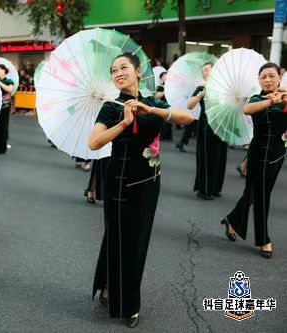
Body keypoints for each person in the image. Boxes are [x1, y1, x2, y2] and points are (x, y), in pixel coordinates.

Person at [88, 53, 193, 328]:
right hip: (121, 181)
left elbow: (186, 117)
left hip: (150, 182)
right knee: (126, 242)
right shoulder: (112, 106)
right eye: (113, 70)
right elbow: (94, 142)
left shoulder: (151, 102)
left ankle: (107, 281)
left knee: (134, 239)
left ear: (137, 72)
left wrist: (152, 111)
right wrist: (123, 122)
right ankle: (127, 305)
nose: (118, 73)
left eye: (124, 67)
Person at [220, 62, 287, 259]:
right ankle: (264, 239)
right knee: (262, 196)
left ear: (279, 78)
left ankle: (231, 220)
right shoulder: (258, 99)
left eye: (271, 76)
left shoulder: (284, 97)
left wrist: (282, 95)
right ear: (258, 80)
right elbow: (247, 109)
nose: (267, 79)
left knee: (253, 193)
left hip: (278, 154)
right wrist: (271, 101)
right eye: (263, 76)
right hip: (260, 155)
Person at [188, 62, 228, 200]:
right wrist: (200, 95)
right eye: (203, 71)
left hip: (223, 125)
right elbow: (190, 105)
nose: (204, 72)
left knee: (220, 157)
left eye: (207, 70)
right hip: (206, 125)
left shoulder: (225, 88)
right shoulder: (201, 88)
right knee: (206, 157)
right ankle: (204, 189)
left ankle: (216, 188)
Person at [0, 64, 14, 154]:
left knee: (3, 126)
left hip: (5, 107)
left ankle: (2, 148)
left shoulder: (9, 80)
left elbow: (10, 90)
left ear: (3, 70)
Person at [155, 71, 173, 141]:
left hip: (169, 104)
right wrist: (165, 90)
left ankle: (168, 136)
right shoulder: (160, 87)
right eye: (163, 76)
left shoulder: (171, 86)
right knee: (162, 120)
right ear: (161, 78)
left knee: (169, 120)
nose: (165, 77)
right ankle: (162, 136)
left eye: (166, 75)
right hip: (162, 104)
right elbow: (157, 96)